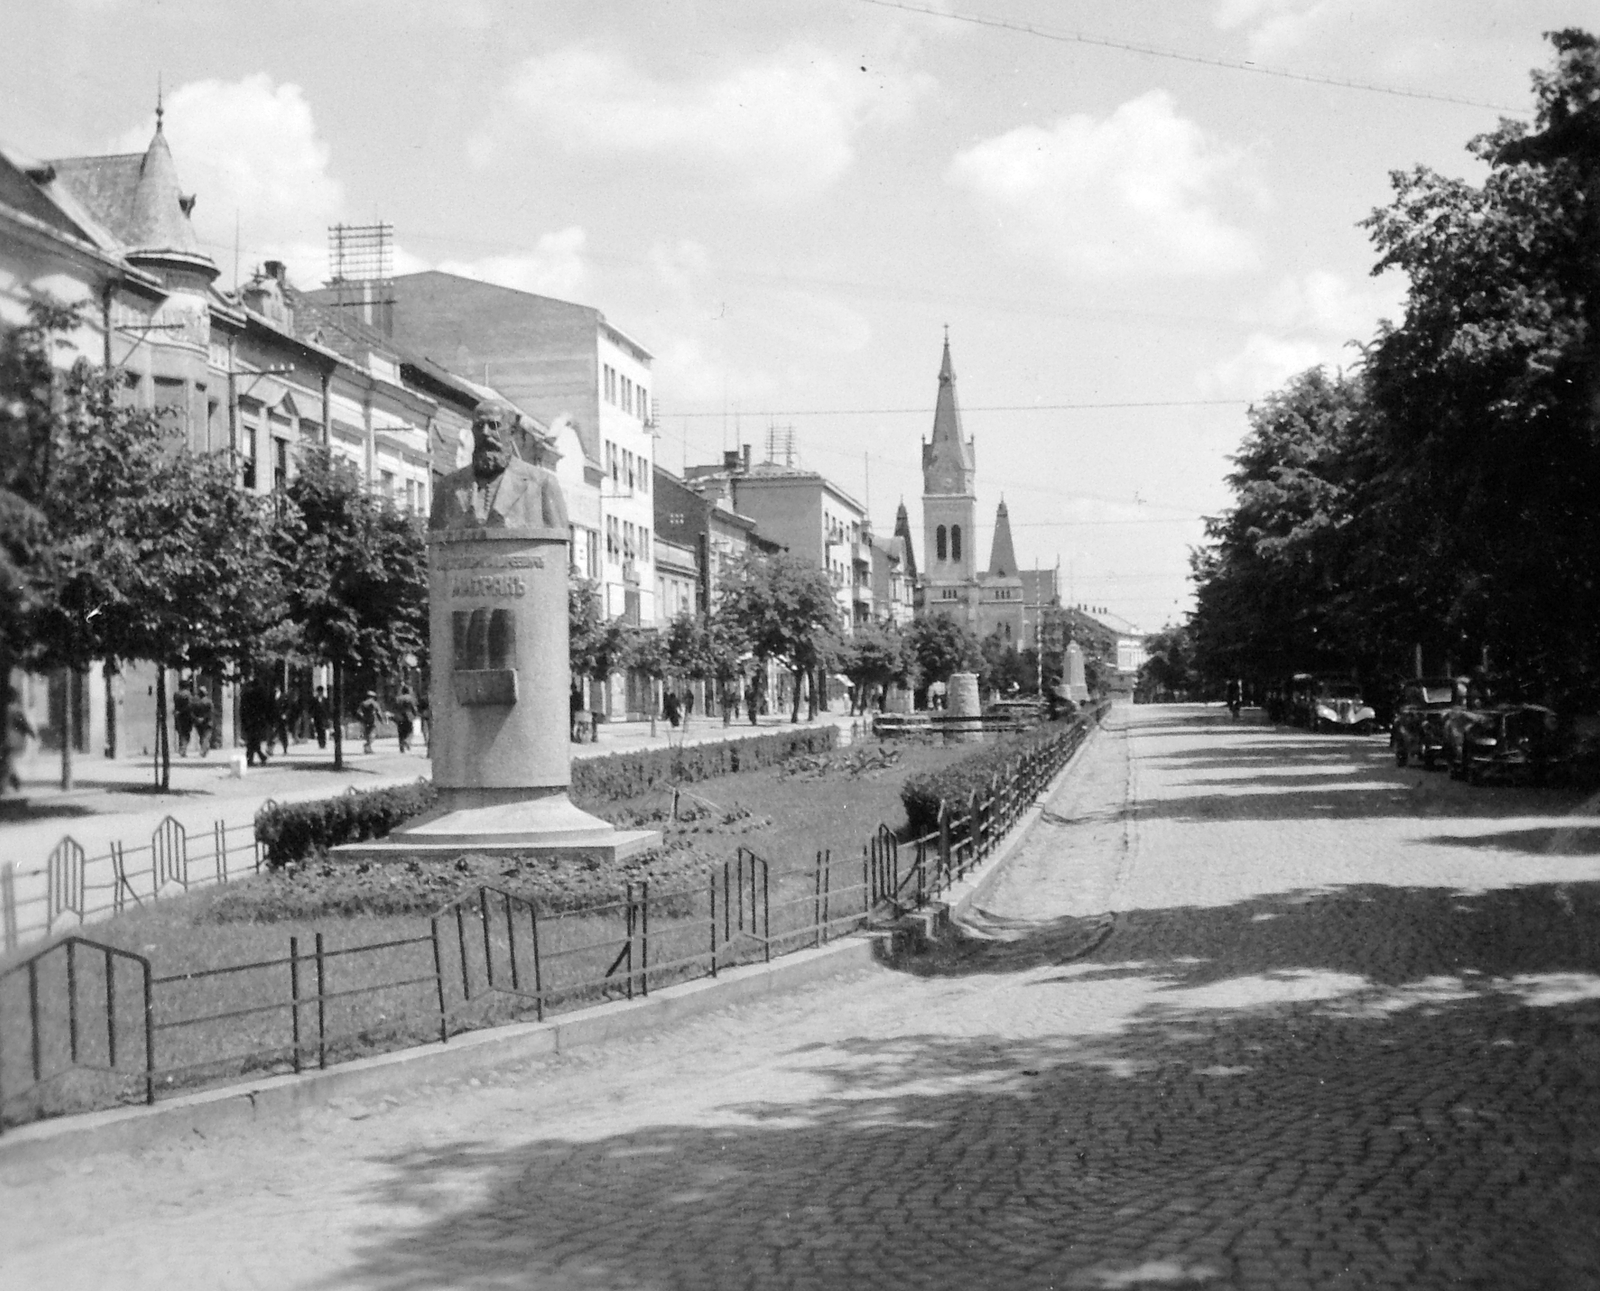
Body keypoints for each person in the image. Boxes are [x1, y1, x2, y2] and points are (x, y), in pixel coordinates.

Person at [240, 678, 272, 767]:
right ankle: (257, 757)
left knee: (252, 741)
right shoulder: (261, 695)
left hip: (250, 721)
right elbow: (265, 708)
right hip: (258, 721)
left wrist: (244, 721)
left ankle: (251, 758)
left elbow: (243, 710)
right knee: (254, 741)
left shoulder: (246, 695)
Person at [189, 682, 214, 758]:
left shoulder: (195, 703)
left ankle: (204, 750)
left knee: (202, 737)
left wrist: (197, 719)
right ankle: (204, 750)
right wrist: (204, 718)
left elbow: (192, 712)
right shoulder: (209, 702)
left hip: (198, 723)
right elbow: (211, 712)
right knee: (206, 737)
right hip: (208, 722)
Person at [393, 685, 419, 754]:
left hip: (399, 716)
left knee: (401, 732)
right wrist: (416, 714)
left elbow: (394, 708)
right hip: (408, 716)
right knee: (410, 731)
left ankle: (401, 748)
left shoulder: (397, 698)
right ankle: (407, 741)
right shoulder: (411, 698)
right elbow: (414, 707)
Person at [357, 690, 383, 755]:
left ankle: (368, 749)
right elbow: (378, 712)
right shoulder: (374, 703)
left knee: (367, 733)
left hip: (365, 720)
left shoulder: (363, 703)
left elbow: (359, 712)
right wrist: (381, 720)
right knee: (373, 734)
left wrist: (363, 717)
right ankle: (367, 746)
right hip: (372, 720)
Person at [172, 680, 193, 757]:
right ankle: (183, 749)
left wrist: (177, 711)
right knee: (186, 734)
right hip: (186, 716)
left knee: (181, 733)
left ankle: (182, 748)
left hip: (178, 715)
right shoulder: (188, 695)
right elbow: (189, 706)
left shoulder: (176, 694)